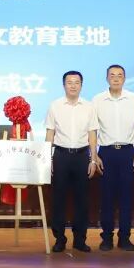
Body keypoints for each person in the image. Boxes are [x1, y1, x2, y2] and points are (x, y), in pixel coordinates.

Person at [44, 70, 100, 253]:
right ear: (64, 85)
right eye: (69, 82)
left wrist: (93, 159)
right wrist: (47, 157)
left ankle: (80, 239)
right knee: (58, 199)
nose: (73, 86)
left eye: (77, 82)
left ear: (81, 85)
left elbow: (92, 134)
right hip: (61, 155)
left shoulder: (89, 106)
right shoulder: (55, 106)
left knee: (82, 200)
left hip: (82, 156)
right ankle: (59, 239)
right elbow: (50, 133)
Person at [91, 64, 134, 252]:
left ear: (124, 79)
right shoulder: (97, 100)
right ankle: (106, 237)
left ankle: (125, 238)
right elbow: (93, 129)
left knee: (126, 198)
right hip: (106, 153)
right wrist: (94, 155)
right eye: (112, 75)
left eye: (119, 75)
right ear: (107, 78)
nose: (116, 78)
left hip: (127, 152)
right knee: (106, 198)